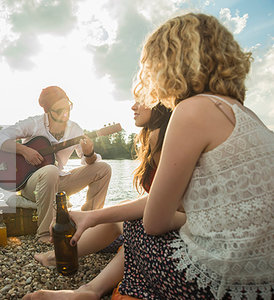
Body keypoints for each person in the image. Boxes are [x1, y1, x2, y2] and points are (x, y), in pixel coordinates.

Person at [24, 13, 273, 299]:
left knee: (136, 225)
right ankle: (87, 286)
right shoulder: (247, 116)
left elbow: (154, 223)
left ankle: (90, 291)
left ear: (169, 63)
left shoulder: (192, 110)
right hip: (265, 283)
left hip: (223, 286)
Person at [33, 102, 172, 291]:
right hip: (34, 180)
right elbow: (159, 199)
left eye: (142, 98)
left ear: (161, 102)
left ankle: (77, 276)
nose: (133, 106)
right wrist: (23, 150)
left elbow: (165, 206)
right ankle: (62, 260)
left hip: (173, 229)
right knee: (123, 213)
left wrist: (93, 216)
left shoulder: (162, 137)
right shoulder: (158, 135)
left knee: (127, 221)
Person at [0, 86, 112, 242]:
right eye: (59, 111)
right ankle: (44, 234)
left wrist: (89, 153)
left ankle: (88, 223)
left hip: (58, 181)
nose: (65, 114)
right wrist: (24, 150)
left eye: (68, 108)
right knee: (50, 171)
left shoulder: (75, 129)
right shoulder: (34, 123)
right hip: (32, 185)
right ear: (47, 111)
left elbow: (87, 161)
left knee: (103, 169)